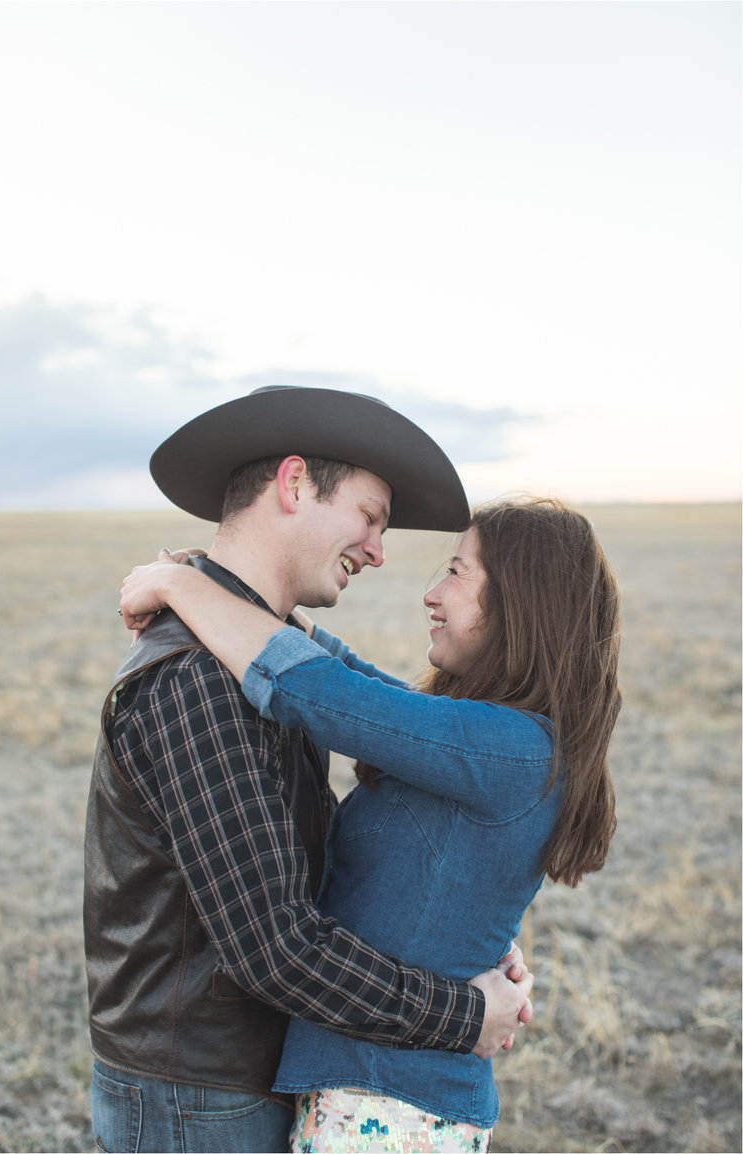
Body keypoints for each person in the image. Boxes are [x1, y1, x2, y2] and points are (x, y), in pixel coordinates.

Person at [81, 385, 534, 1153]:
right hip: (199, 1095)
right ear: (294, 485)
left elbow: (302, 849)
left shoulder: (255, 662)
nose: (379, 552)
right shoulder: (199, 680)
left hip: (236, 1080)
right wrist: (464, 1013)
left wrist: (462, 932)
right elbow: (276, 946)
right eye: (370, 516)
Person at [117, 494, 619, 1151]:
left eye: (458, 572)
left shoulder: (509, 749)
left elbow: (317, 691)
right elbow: (355, 679)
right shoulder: (491, 743)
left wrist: (178, 586)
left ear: (523, 605)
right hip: (376, 1094)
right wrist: (216, 584)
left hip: (389, 1108)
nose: (431, 593)